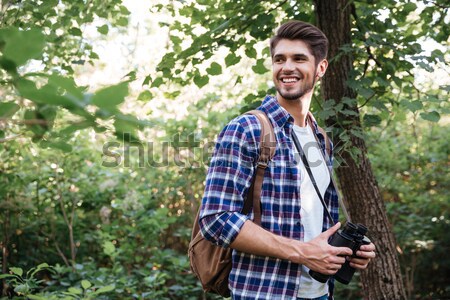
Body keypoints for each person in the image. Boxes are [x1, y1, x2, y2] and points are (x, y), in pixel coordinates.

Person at [199, 20, 376, 300]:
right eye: (279, 59)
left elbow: (310, 221)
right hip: (265, 292)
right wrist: (304, 253)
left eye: (299, 58)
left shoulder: (322, 139)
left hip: (319, 293)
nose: (287, 67)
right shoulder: (247, 129)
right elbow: (215, 219)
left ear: (321, 68)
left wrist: (348, 250)